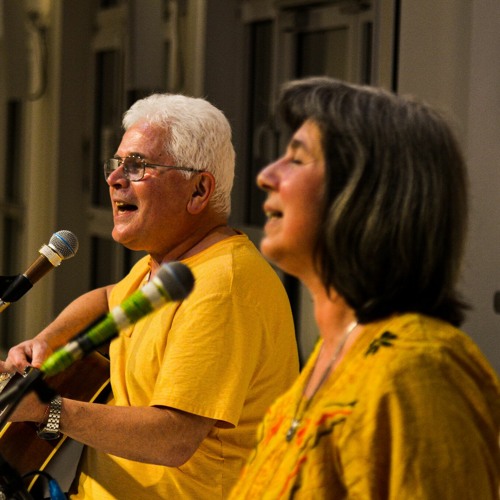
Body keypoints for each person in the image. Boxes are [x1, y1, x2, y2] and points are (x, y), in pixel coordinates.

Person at [1, 93, 299, 498]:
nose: (114, 179)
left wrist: (47, 410)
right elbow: (108, 299)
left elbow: (173, 437)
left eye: (138, 166)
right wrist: (46, 341)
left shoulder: (222, 287)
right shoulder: (167, 265)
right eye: (117, 163)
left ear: (198, 191)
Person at [230, 77, 500, 498]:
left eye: (297, 160)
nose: (266, 176)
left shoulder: (419, 370)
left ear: (361, 194)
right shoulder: (332, 352)